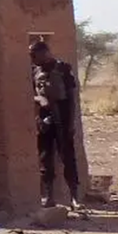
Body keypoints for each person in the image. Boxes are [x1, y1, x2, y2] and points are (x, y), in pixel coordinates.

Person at [30, 40, 81, 208]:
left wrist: (71, 122)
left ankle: (74, 197)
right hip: (44, 118)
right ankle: (48, 196)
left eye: (34, 54)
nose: (32, 58)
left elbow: (72, 96)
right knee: (46, 158)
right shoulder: (34, 72)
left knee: (68, 157)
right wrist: (41, 99)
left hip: (63, 116)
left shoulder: (63, 69)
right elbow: (30, 93)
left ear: (44, 52)